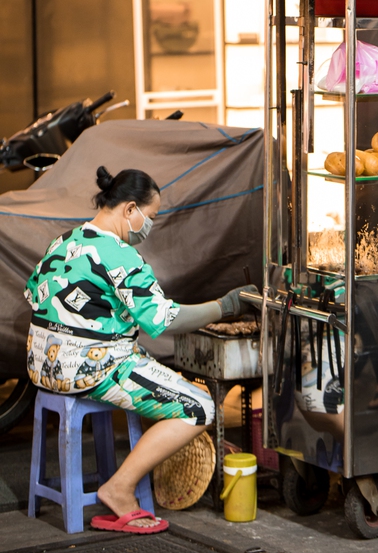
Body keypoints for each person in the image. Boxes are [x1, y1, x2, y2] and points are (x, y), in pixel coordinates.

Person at [25, 165, 258, 533]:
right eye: (150, 217)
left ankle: (128, 473)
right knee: (199, 407)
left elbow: (33, 292)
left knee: (160, 378)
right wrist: (226, 306)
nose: (149, 225)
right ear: (130, 209)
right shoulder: (119, 255)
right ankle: (119, 488)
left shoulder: (65, 240)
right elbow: (163, 321)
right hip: (90, 367)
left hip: (41, 365)